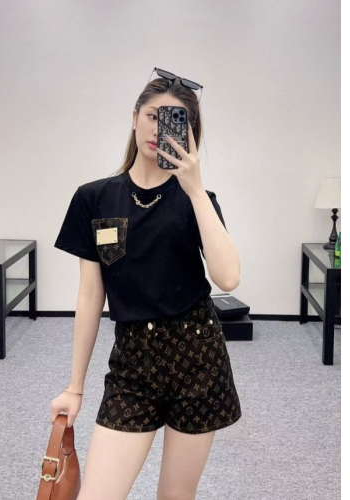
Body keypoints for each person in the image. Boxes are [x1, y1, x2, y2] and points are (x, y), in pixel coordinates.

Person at [52, 70, 242, 500]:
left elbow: (228, 277)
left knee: (175, 495)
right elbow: (90, 295)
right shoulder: (94, 198)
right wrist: (74, 387)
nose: (159, 130)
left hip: (198, 359)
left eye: (174, 121)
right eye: (153, 116)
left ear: (189, 134)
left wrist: (195, 189)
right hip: (133, 363)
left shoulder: (196, 200)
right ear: (134, 116)